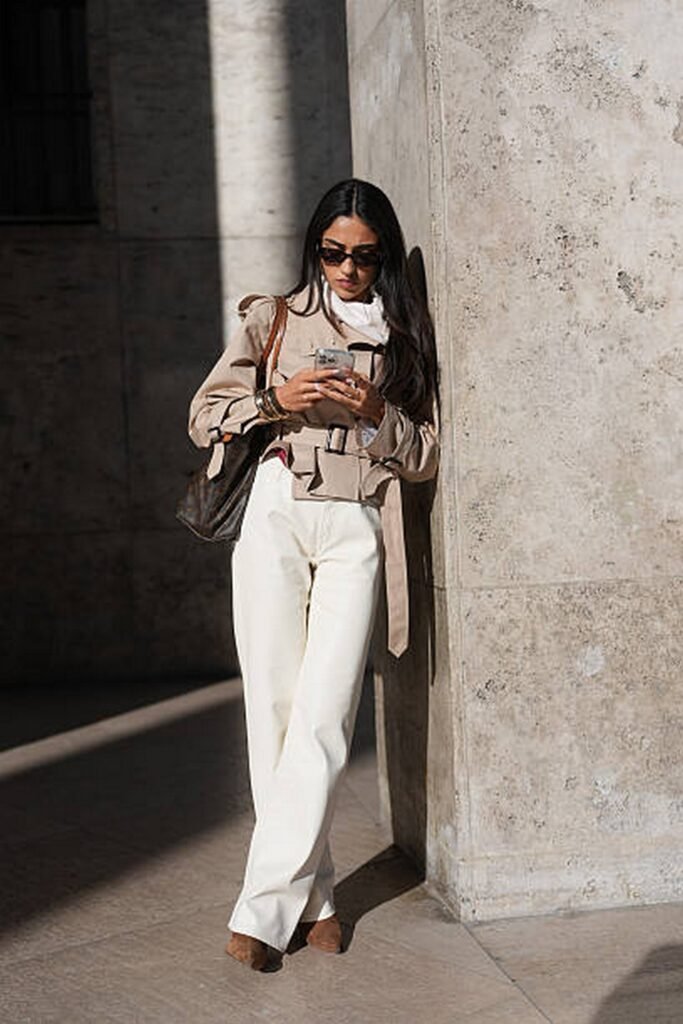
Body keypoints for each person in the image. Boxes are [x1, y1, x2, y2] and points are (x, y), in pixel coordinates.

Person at [188, 178, 438, 970]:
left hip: (358, 524)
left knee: (325, 717)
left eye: (364, 257)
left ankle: (261, 913)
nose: (347, 270)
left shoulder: (403, 336)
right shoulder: (273, 317)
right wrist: (276, 397)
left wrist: (375, 412)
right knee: (275, 707)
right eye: (333, 252)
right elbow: (204, 416)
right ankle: (317, 897)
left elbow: (426, 454)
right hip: (276, 508)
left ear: (383, 258)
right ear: (315, 248)